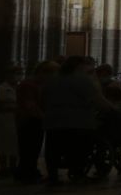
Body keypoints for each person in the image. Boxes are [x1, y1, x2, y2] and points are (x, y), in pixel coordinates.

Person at [41, 56, 110, 184]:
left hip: (53, 120)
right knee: (80, 148)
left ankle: (53, 175)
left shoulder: (52, 79)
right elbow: (95, 98)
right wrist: (111, 108)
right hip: (78, 121)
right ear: (79, 66)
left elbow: (43, 97)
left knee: (53, 149)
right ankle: (77, 173)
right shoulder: (81, 80)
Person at [16, 60, 57, 182]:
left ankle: (30, 170)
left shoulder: (40, 85)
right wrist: (44, 117)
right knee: (28, 148)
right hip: (29, 121)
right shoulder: (28, 85)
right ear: (43, 72)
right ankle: (26, 173)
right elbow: (30, 105)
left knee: (34, 149)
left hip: (36, 121)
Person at [0, 66, 22, 179]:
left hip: (16, 119)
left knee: (14, 144)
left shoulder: (20, 87)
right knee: (3, 144)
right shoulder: (2, 88)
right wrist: (9, 107)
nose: (17, 76)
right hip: (4, 119)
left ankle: (13, 166)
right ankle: (3, 167)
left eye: (19, 74)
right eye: (15, 74)